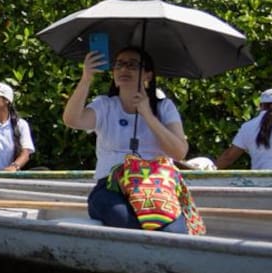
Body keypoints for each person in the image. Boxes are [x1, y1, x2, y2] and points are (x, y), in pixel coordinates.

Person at [62, 46, 190, 231]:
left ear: (148, 75)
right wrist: (86, 79)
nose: (123, 69)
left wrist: (148, 115)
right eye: (119, 64)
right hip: (110, 187)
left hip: (155, 187)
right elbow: (72, 120)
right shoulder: (105, 105)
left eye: (132, 65)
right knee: (127, 223)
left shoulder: (164, 107)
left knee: (174, 232)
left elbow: (179, 151)